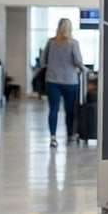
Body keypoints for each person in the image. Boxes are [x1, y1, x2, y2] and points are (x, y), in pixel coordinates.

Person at [39, 18, 84, 147]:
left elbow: (42, 61)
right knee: (69, 110)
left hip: (52, 80)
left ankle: (53, 138)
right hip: (70, 81)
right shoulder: (73, 43)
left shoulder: (51, 43)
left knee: (53, 109)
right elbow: (78, 62)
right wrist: (83, 69)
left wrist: (52, 67)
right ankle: (70, 135)